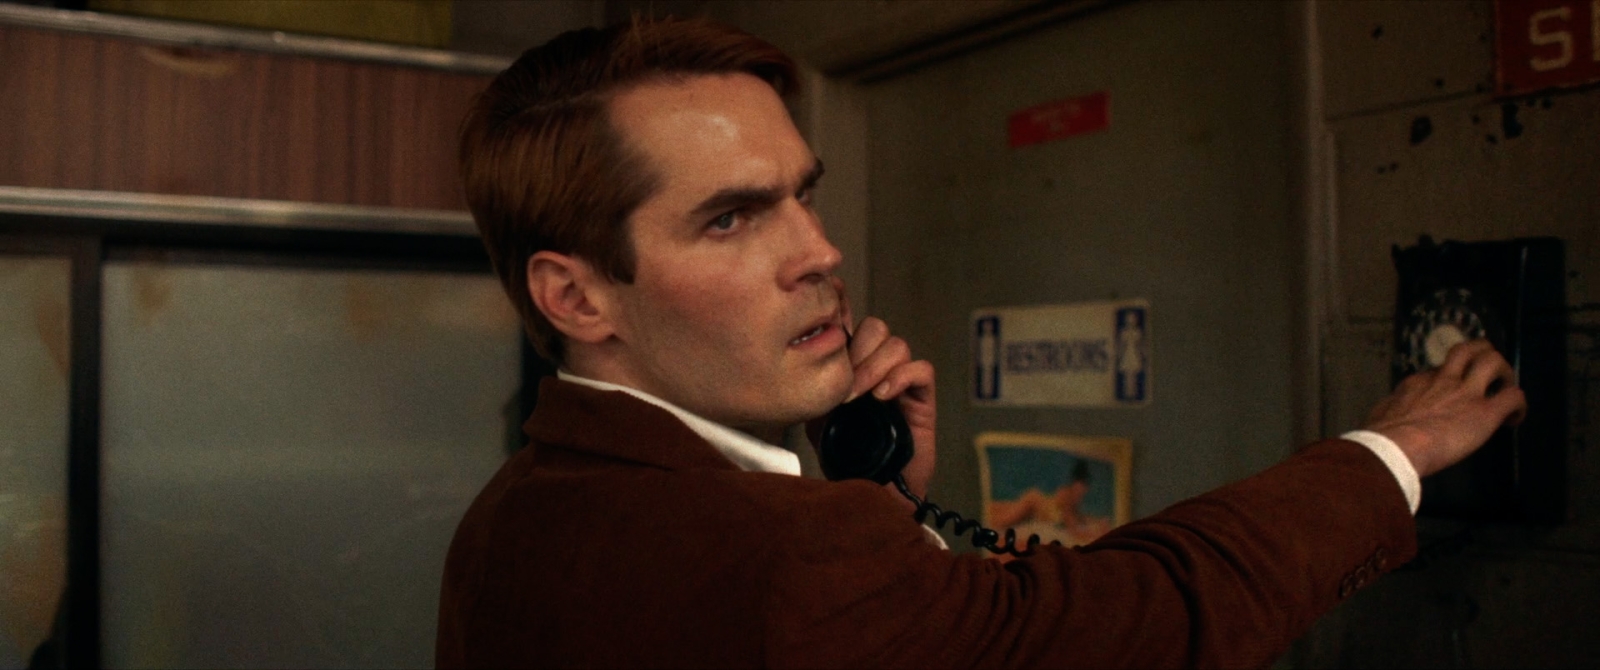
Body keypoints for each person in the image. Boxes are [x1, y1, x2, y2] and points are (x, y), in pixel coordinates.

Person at [437, 17, 1526, 668]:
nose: (818, 252)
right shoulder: (788, 548)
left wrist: (882, 505)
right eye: (731, 219)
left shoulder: (511, 514)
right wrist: (1392, 451)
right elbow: (1144, 623)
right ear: (576, 297)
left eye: (805, 195)